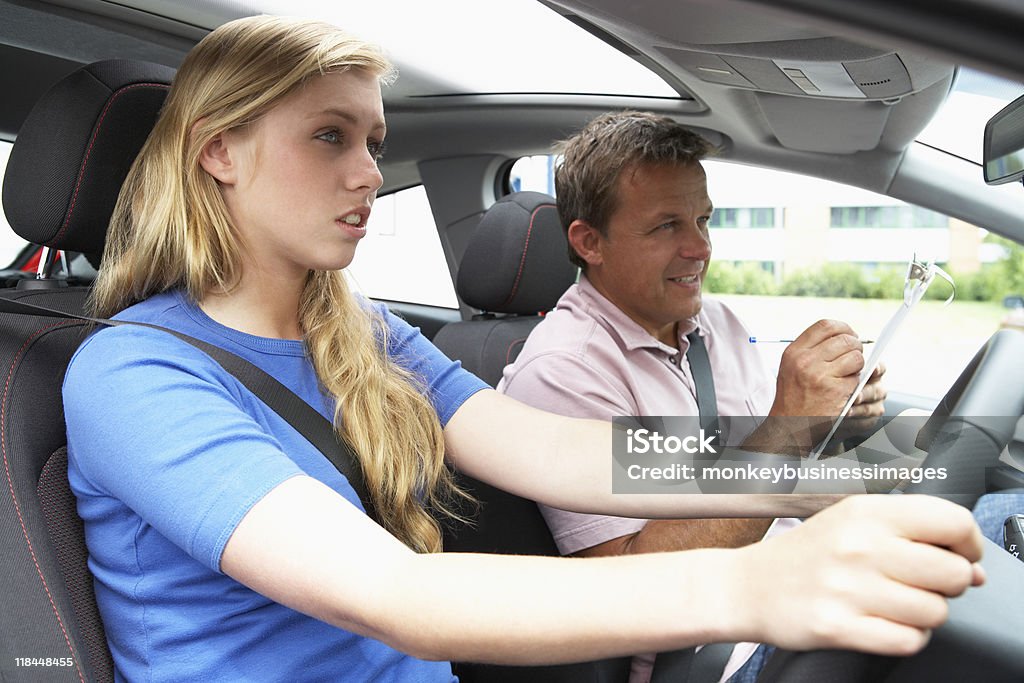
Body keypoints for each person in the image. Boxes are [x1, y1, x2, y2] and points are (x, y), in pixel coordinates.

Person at [62, 17, 986, 682]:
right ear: (219, 151)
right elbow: (393, 593)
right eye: (329, 136)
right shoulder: (135, 375)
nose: (370, 173)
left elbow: (568, 452)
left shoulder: (361, 331)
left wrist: (843, 485)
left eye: (374, 140)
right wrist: (758, 580)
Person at [497, 110, 1016, 682]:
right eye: (667, 225)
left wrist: (835, 421)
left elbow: (760, 466)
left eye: (703, 220)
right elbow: (628, 586)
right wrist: (791, 427)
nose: (700, 248)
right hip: (720, 653)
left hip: (804, 565)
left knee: (1002, 512)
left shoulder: (712, 322)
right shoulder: (563, 370)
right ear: (589, 242)